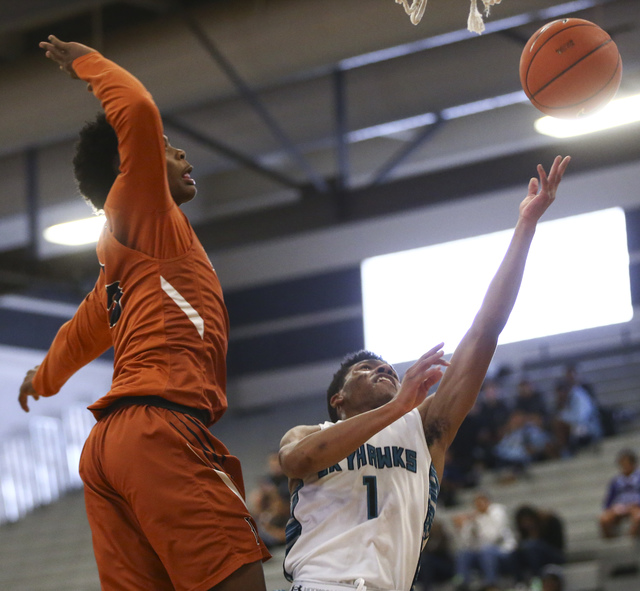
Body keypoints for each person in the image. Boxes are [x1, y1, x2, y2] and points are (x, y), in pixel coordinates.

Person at [17, 36, 270, 591]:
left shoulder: (121, 272)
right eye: (168, 149)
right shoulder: (144, 209)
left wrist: (43, 379)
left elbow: (77, 338)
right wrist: (87, 61)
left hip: (108, 449)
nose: (181, 156)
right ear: (130, 164)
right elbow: (136, 109)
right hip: (159, 430)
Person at [278, 155, 571, 591]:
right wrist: (398, 404)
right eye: (365, 368)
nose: (382, 368)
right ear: (337, 398)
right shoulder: (306, 433)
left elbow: (484, 332)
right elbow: (299, 461)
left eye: (386, 367)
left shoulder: (427, 427)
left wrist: (525, 228)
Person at [452, 491, 517, 591]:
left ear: (488, 502)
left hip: (503, 549)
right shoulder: (475, 518)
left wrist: (476, 521)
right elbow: (467, 543)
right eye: (476, 503)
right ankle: (462, 583)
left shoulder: (497, 511)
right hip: (482, 552)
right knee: (464, 554)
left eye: (481, 502)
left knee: (486, 551)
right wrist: (464, 527)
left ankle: (491, 583)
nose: (479, 505)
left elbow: (494, 537)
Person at [511, 505, 565, 585]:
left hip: (554, 554)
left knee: (532, 547)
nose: (526, 524)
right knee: (516, 552)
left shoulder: (550, 521)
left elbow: (558, 545)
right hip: (534, 555)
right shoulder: (524, 531)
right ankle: (519, 582)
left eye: (528, 520)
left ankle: (537, 579)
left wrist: (536, 540)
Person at [599, 448, 640, 538]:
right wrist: (611, 507)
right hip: (620, 506)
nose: (624, 467)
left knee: (638, 517)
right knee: (604, 519)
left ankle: (632, 537)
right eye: (622, 464)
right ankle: (611, 537)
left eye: (627, 464)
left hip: (635, 506)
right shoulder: (616, 481)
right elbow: (609, 499)